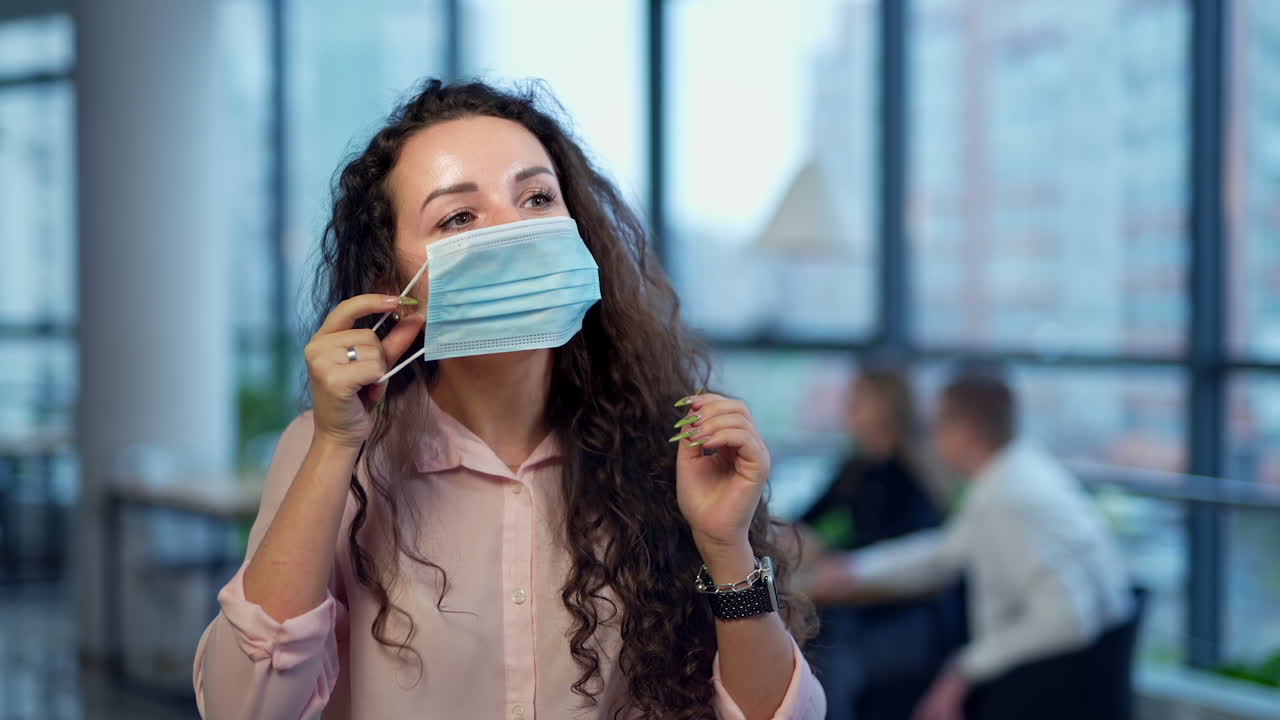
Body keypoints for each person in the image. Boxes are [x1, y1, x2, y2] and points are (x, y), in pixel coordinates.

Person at [192, 80, 824, 720]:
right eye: (459, 217)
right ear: (391, 282)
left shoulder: (668, 452)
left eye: (536, 198)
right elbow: (242, 709)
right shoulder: (328, 449)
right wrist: (333, 448)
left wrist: (726, 550)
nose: (516, 231)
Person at [807, 371, 1131, 720]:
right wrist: (858, 568)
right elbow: (948, 551)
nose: (930, 436)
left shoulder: (1007, 498)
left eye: (937, 424)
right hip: (1066, 674)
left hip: (1046, 684)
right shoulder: (1013, 470)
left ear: (964, 431)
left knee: (836, 664)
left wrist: (963, 670)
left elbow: (1068, 619)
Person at [799, 367, 959, 720]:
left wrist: (828, 554)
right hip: (862, 609)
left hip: (904, 619)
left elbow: (904, 555)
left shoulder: (911, 475)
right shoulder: (856, 466)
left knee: (829, 662)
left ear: (885, 409)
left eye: (857, 402)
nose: (847, 410)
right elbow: (809, 518)